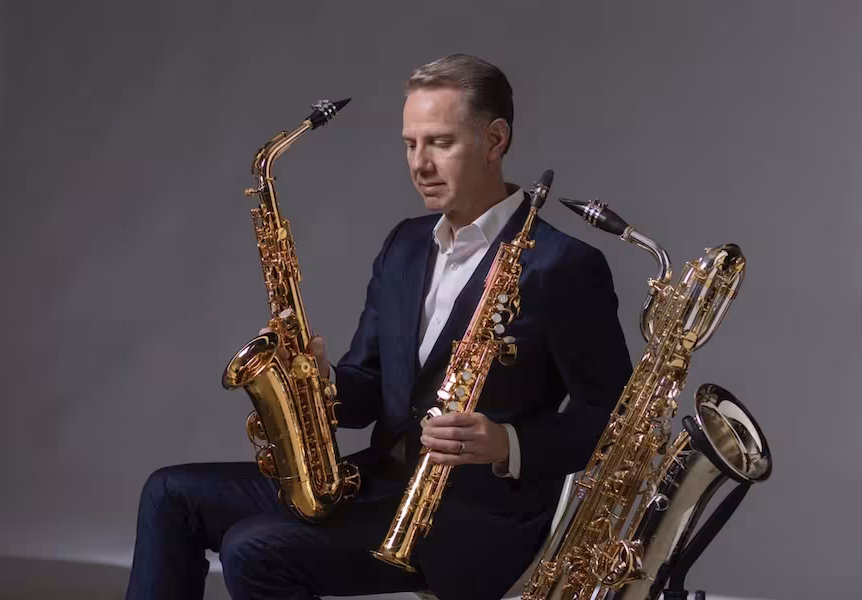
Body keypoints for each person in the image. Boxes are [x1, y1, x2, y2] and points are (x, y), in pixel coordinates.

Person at [124, 53, 633, 600]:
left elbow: (613, 419)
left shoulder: (564, 266)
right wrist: (315, 381)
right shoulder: (404, 245)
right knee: (169, 493)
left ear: (495, 139)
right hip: (379, 484)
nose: (420, 163)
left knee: (252, 548)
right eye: (411, 144)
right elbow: (367, 390)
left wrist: (504, 443)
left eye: (440, 142)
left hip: (473, 521)